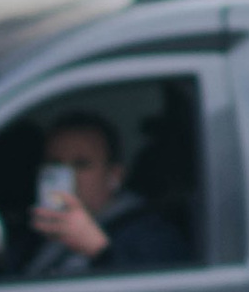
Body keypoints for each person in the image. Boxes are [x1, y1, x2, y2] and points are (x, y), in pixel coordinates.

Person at [23, 110, 191, 277]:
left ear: (114, 176)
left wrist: (99, 250)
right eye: (55, 164)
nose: (67, 175)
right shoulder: (31, 231)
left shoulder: (151, 233)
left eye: (81, 165)